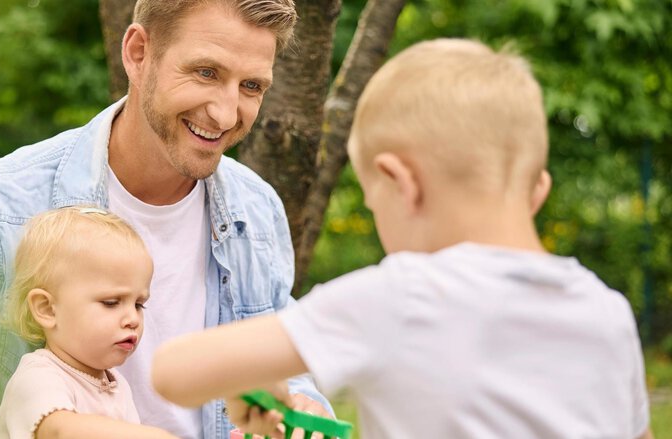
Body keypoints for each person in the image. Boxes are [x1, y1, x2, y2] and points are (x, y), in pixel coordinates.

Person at [151, 39, 654, 439]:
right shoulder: (606, 312)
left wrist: (248, 382)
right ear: (537, 190)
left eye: (374, 204)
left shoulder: (402, 297)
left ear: (400, 184)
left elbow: (174, 371)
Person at [0, 1, 332, 438]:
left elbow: (283, 369)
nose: (226, 113)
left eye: (252, 86)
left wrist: (299, 407)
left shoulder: (257, 209)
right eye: (206, 72)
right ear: (138, 54)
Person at [0, 207, 174, 439]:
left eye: (139, 304)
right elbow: (59, 431)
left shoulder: (117, 385)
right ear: (47, 309)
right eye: (111, 302)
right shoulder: (38, 377)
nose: (132, 319)